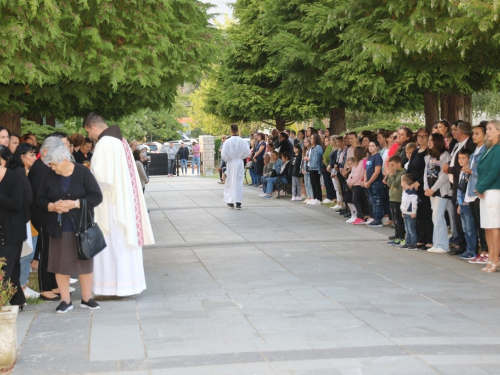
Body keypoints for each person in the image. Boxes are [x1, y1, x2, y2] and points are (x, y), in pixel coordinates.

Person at [83, 113, 154, 296]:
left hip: (112, 203)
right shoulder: (120, 140)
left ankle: (113, 286)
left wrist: (85, 180)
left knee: (114, 243)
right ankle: (126, 285)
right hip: (123, 200)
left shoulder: (105, 143)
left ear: (93, 128)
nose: (90, 138)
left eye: (89, 133)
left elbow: (102, 178)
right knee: (121, 244)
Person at [36, 138, 103, 313]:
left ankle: (87, 298)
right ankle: (65, 300)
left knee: (85, 263)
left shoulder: (82, 172)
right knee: (60, 264)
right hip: (59, 227)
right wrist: (51, 206)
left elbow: (97, 196)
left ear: (64, 160)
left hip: (82, 226)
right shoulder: (48, 175)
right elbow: (40, 199)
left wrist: (75, 204)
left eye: (53, 165)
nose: (52, 168)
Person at [29, 132, 69, 301]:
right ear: (45, 152)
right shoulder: (40, 168)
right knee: (46, 252)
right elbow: (39, 197)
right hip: (43, 215)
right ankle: (46, 287)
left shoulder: (45, 166)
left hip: (50, 213)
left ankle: (53, 284)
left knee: (53, 251)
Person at [10, 144, 38, 299]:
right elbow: (25, 197)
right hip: (21, 217)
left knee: (28, 252)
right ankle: (21, 287)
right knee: (24, 253)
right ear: (21, 156)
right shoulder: (19, 172)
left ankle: (23, 285)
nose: (34, 158)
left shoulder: (24, 171)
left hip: (26, 217)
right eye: (31, 155)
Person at [0, 145, 27, 310]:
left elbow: (18, 204)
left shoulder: (14, 177)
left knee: (5, 267)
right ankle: (17, 300)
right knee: (11, 267)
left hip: (11, 230)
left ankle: (2, 302)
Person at [475, 120, 500, 273]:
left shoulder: (498, 149)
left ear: (498, 131)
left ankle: (495, 259)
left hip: (493, 191)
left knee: (494, 226)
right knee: (487, 227)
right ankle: (491, 257)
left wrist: (480, 187)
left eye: (490, 129)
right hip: (485, 191)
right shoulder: (488, 148)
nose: (488, 132)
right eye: (487, 129)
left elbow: (494, 171)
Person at [463, 124, 489, 265]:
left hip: (479, 190)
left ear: (485, 136)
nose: (474, 136)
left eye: (477, 133)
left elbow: (485, 171)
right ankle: (483, 251)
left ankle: (487, 251)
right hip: (472, 190)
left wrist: (472, 171)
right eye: (473, 133)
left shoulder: (486, 150)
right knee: (478, 223)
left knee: (483, 224)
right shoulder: (475, 150)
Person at [424, 133, 452, 254]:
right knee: (434, 216)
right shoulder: (429, 156)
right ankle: (436, 243)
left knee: (438, 215)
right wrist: (426, 188)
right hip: (431, 191)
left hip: (441, 191)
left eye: (431, 140)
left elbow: (444, 176)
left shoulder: (445, 155)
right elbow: (426, 173)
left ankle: (443, 245)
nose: (429, 142)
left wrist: (433, 189)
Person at [406, 128, 433, 250]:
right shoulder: (416, 152)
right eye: (419, 136)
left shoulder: (429, 152)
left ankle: (429, 239)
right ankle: (421, 238)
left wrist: (418, 182)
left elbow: (428, 171)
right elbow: (410, 168)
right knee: (418, 214)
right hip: (412, 187)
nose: (421, 138)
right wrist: (407, 182)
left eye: (424, 136)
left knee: (426, 213)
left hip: (423, 186)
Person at [221, 124, 251, 209]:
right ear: (237, 130)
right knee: (238, 181)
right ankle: (238, 201)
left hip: (231, 162)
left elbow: (223, 154)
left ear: (231, 130)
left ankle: (230, 200)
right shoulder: (243, 141)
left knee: (230, 180)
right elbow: (247, 153)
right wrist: (242, 157)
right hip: (239, 162)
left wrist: (228, 159)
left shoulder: (227, 142)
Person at [456, 149, 477, 260]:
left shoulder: (470, 171)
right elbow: (460, 189)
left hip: (469, 202)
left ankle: (472, 250)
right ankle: (468, 248)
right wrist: (459, 203)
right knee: (465, 228)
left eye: (463, 158)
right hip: (462, 203)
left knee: (470, 228)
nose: (461, 160)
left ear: (469, 159)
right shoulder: (461, 172)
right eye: (459, 158)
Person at [386, 155, 406, 246]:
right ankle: (397, 235)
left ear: (399, 163)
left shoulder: (402, 173)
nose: (391, 167)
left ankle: (401, 237)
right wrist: (391, 175)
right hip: (392, 197)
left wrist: (391, 174)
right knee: (395, 219)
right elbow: (389, 183)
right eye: (390, 165)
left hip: (398, 198)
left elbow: (394, 183)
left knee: (399, 219)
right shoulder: (394, 173)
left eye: (393, 165)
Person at [364, 140, 384, 227]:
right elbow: (366, 170)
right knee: (372, 201)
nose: (370, 147)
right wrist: (365, 181)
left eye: (372, 146)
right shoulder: (370, 157)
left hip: (376, 182)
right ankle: (374, 217)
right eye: (369, 146)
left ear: (377, 147)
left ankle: (378, 219)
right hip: (369, 183)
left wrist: (369, 182)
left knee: (377, 201)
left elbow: (377, 171)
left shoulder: (377, 157)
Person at [347, 147, 367, 225]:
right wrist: (349, 181)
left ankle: (361, 216)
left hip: (358, 184)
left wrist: (352, 181)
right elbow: (353, 172)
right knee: (356, 199)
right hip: (354, 183)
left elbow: (359, 174)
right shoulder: (357, 162)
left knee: (356, 200)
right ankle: (360, 215)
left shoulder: (362, 162)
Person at [400, 174, 419, 250]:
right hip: (405, 213)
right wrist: (402, 211)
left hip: (410, 213)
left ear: (404, 182)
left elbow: (414, 203)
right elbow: (403, 202)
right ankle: (407, 243)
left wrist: (414, 212)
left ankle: (413, 243)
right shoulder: (405, 192)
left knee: (411, 229)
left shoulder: (412, 193)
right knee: (407, 229)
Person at [305, 133, 324, 204]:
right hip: (311, 167)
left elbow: (317, 158)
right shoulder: (312, 147)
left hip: (315, 167)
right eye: (311, 138)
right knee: (312, 183)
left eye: (312, 138)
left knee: (316, 183)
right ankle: (315, 197)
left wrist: (309, 159)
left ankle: (318, 198)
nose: (311, 139)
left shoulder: (318, 147)